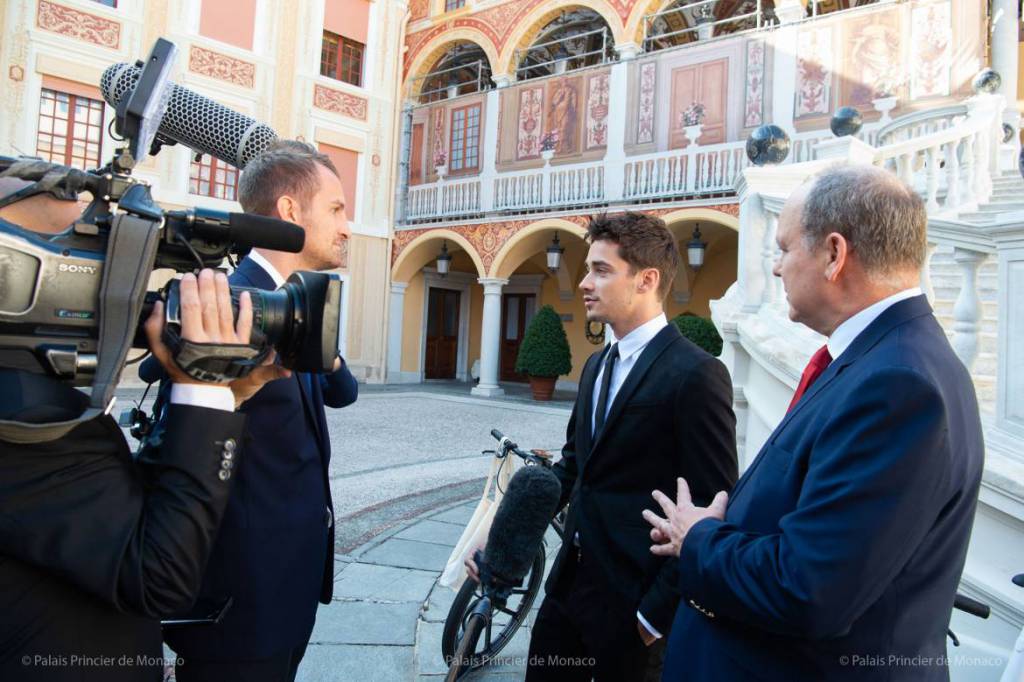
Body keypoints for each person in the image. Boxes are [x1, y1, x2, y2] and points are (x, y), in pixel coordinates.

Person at [645, 165, 985, 681]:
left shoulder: (897, 384)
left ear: (833, 254)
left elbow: (809, 589)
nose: (776, 268)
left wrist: (699, 538)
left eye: (783, 249)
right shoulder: (881, 360)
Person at [0, 180, 270, 681]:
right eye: (88, 249)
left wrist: (224, 396)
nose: (117, 274)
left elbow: (121, 513)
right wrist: (202, 389)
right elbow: (156, 575)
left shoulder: (37, 386)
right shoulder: (20, 413)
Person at [468, 212, 738, 681]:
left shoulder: (697, 375)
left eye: (601, 270)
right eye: (588, 268)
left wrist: (653, 618)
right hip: (567, 590)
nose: (586, 282)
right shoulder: (595, 366)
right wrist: (501, 531)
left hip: (634, 608)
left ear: (646, 280)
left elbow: (714, 506)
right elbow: (574, 467)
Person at [163, 141, 358, 682]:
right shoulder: (224, 301)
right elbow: (180, 435)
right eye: (337, 209)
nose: (347, 226)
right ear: (290, 212)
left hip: (290, 587)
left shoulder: (302, 301)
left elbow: (345, 391)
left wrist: (318, 332)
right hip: (238, 601)